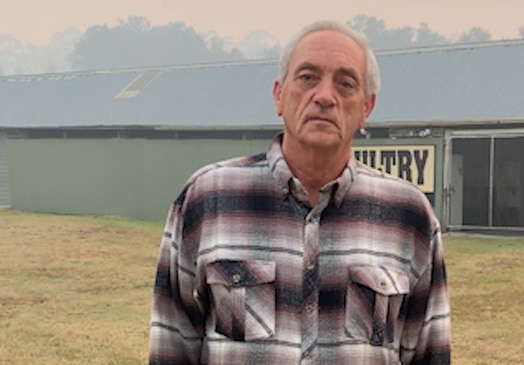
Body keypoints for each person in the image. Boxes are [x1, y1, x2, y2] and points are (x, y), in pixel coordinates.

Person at [148, 19, 451, 365]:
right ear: (279, 95)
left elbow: (430, 355)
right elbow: (171, 350)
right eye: (307, 77)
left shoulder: (409, 217)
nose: (324, 96)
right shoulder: (207, 200)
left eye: (345, 83)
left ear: (366, 108)